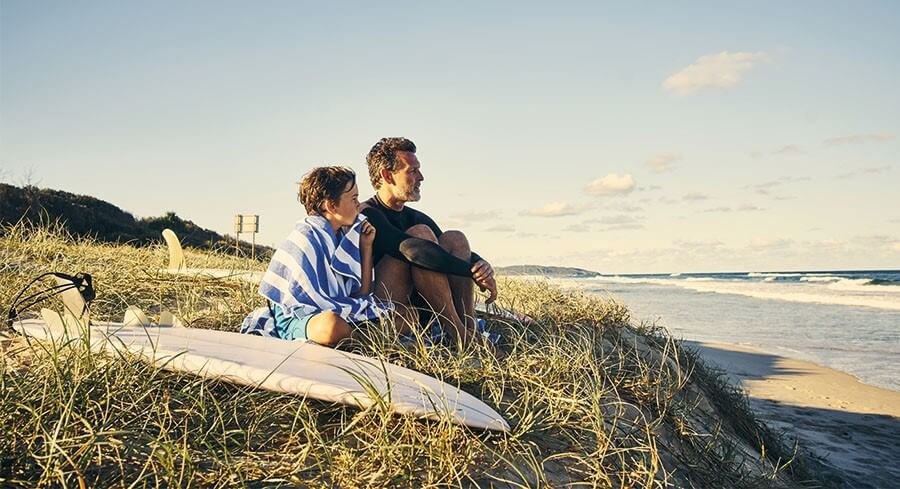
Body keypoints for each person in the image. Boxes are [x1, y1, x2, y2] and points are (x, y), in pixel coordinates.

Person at [360, 137, 498, 349]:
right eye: (412, 171)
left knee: (455, 238)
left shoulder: (416, 216)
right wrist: (471, 271)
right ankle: (459, 334)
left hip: (420, 307)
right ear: (387, 175)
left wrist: (482, 267)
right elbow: (415, 252)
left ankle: (469, 327)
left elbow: (451, 253)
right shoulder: (367, 213)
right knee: (421, 237)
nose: (421, 177)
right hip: (385, 311)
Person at [241, 166, 392, 346]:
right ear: (330, 205)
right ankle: (366, 339)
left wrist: (366, 247)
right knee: (331, 327)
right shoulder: (303, 239)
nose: (358, 204)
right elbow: (300, 307)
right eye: (353, 198)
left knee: (407, 315)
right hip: (300, 320)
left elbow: (362, 294)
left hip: (343, 315)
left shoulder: (345, 238)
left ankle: (358, 339)